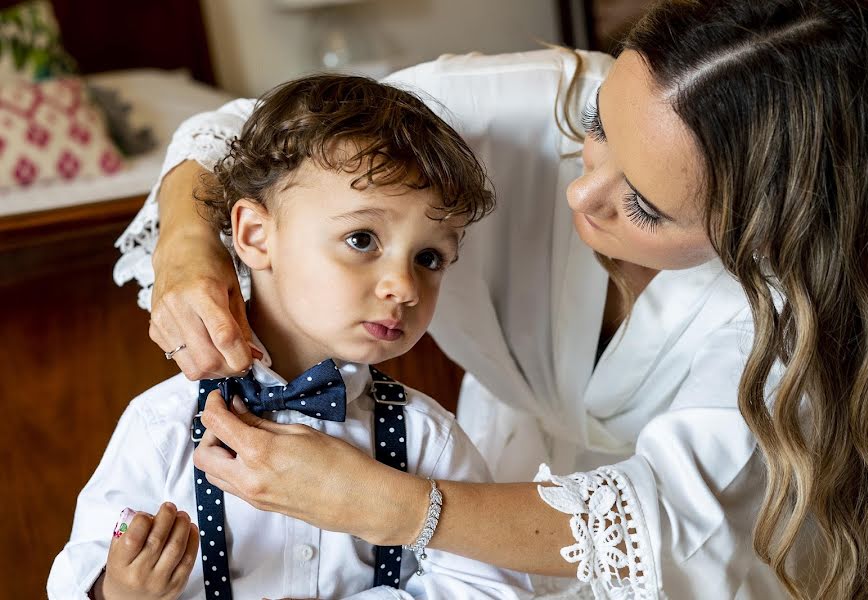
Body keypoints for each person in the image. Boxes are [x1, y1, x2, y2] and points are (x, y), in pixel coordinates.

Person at [113, 1, 868, 598]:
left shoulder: (804, 303)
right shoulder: (516, 110)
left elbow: (654, 516)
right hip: (504, 467)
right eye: (598, 128)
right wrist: (188, 238)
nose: (583, 192)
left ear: (769, 234)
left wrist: (389, 507)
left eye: (647, 208)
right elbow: (251, 134)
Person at [49, 74, 533, 600]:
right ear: (256, 235)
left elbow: (490, 585)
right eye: (362, 239)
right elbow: (82, 566)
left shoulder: (428, 439)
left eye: (429, 258)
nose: (404, 287)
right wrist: (118, 590)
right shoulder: (160, 426)